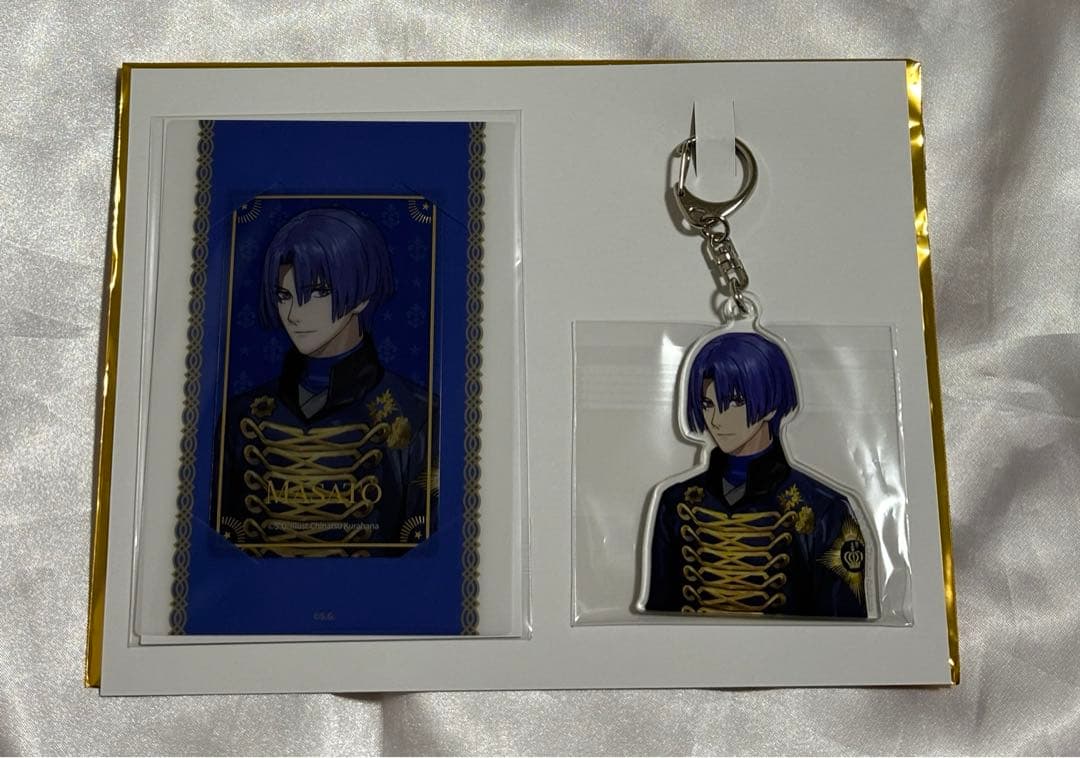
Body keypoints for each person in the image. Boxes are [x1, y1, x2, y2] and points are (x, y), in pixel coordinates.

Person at [216, 208, 436, 556]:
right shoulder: (240, 417)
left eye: (315, 292)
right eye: (283, 296)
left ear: (362, 295)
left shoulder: (420, 416)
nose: (293, 315)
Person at [640, 331, 867, 617]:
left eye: (734, 401)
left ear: (770, 405)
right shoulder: (675, 504)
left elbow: (848, 632)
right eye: (708, 404)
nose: (716, 420)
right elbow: (657, 622)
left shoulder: (826, 510)